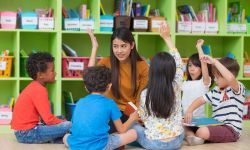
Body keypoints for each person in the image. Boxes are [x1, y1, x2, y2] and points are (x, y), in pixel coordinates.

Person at [132, 21, 184, 150]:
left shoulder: (146, 93)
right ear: (172, 70)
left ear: (152, 70)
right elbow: (178, 62)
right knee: (181, 126)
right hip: (176, 142)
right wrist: (167, 38)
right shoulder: (176, 85)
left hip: (154, 144)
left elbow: (143, 118)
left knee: (133, 127)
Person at [87, 27, 149, 132]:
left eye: (123, 46)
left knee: (138, 132)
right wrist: (94, 48)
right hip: (109, 111)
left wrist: (138, 114)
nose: (119, 51)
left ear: (132, 45)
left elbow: (141, 97)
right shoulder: (106, 62)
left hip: (129, 113)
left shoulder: (142, 66)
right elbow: (90, 79)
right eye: (115, 46)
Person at [63, 66, 138, 150]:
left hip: (76, 144)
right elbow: (122, 130)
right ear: (109, 86)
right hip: (100, 146)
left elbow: (75, 126)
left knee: (66, 137)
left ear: (86, 88)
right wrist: (132, 119)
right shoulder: (110, 103)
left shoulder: (80, 102)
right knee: (133, 133)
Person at [184, 55, 245, 145]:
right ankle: (192, 137)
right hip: (215, 125)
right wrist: (189, 110)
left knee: (202, 131)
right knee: (183, 125)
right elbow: (200, 100)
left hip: (230, 129)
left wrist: (215, 62)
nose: (215, 79)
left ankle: (196, 137)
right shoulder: (215, 91)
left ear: (226, 75)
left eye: (218, 77)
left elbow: (231, 78)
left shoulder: (237, 88)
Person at [11, 52, 71, 144]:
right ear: (40, 75)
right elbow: (49, 120)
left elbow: (46, 119)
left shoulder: (35, 86)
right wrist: (64, 122)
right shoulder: (39, 90)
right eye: (52, 70)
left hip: (24, 131)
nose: (55, 73)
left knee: (61, 118)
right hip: (27, 133)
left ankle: (59, 139)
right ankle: (65, 138)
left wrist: (61, 120)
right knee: (69, 125)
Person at [182, 39, 213, 118]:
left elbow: (203, 62)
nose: (192, 68)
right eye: (190, 65)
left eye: (196, 66)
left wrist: (199, 47)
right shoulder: (185, 83)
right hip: (185, 118)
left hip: (200, 119)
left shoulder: (204, 82)